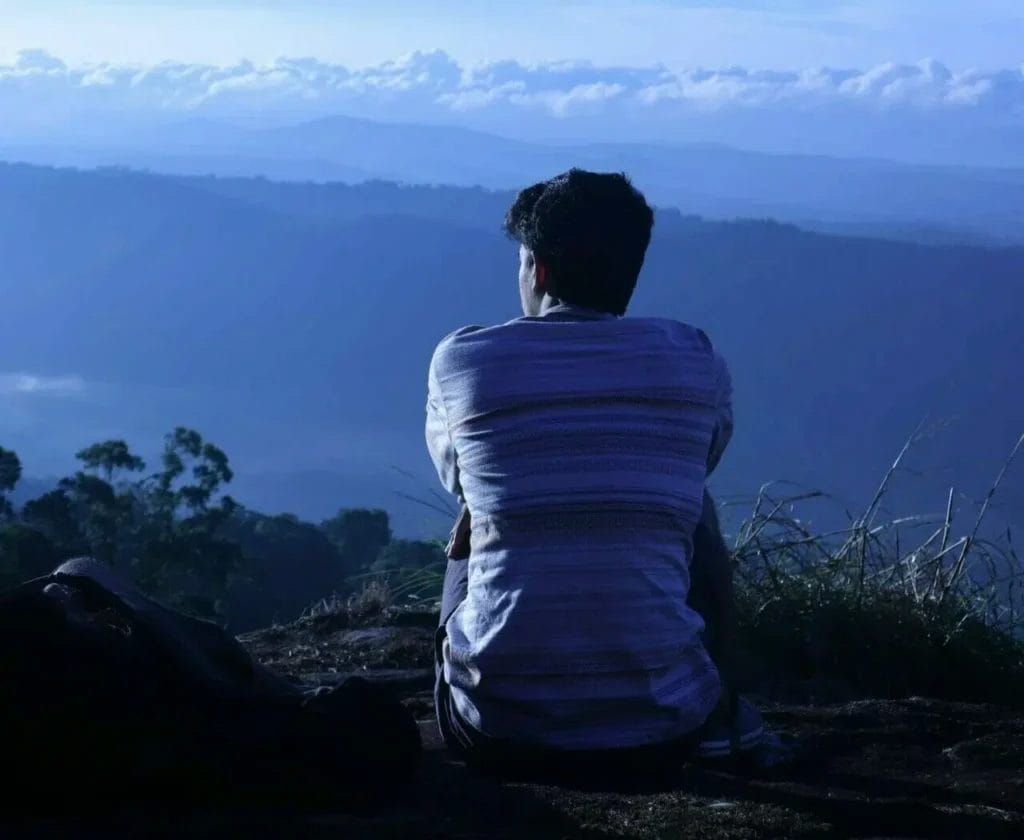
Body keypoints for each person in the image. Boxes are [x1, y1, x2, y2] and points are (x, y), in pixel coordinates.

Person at [426, 168, 764, 778]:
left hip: (498, 727)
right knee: (693, 500)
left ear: (539, 271)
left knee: (477, 504)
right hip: (666, 729)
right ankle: (725, 708)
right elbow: (701, 460)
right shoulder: (696, 360)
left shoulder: (464, 360)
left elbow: (457, 480)